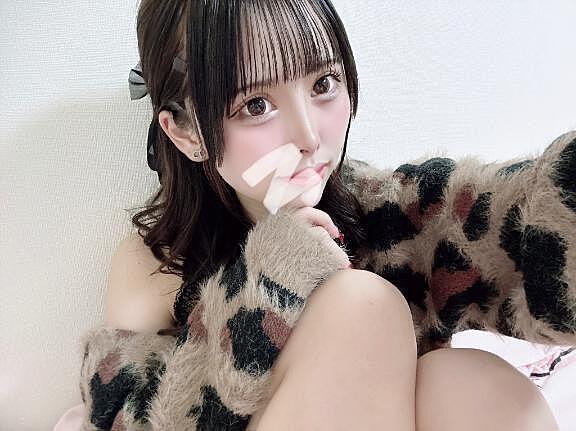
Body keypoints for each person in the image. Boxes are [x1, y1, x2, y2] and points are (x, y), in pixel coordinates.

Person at [96, 0, 564, 429]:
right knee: (360, 305)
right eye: (256, 106)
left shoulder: (376, 209)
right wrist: (269, 283)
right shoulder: (158, 264)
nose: (308, 135)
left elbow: (492, 221)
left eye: (323, 84)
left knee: (469, 381)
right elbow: (124, 417)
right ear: (186, 133)